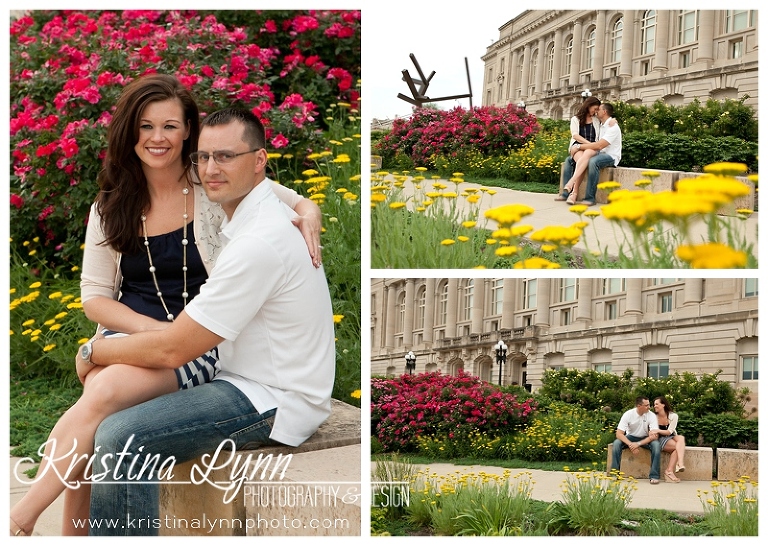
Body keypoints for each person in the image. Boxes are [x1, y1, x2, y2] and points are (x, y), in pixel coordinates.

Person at [9, 75, 322, 537]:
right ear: (130, 132)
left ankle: (25, 519)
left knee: (103, 389)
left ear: (188, 130)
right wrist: (145, 330)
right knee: (103, 397)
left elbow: (293, 202)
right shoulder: (111, 204)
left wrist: (310, 214)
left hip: (197, 335)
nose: (158, 138)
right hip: (135, 327)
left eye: (170, 126)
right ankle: (50, 528)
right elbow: (94, 296)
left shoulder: (211, 181)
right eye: (146, 126)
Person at [79, 107, 335, 536]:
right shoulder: (251, 220)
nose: (211, 169)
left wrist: (94, 351)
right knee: (111, 414)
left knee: (122, 438)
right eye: (203, 157)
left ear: (259, 160)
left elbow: (172, 349)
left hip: (274, 398)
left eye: (226, 156)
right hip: (245, 378)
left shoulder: (258, 242)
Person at [561, 102, 622, 206]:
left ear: (604, 112)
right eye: (596, 109)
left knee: (593, 162)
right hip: (599, 153)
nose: (596, 112)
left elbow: (599, 145)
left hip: (610, 156)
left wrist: (579, 146)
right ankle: (570, 192)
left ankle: (589, 198)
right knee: (572, 159)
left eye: (599, 110)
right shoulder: (601, 124)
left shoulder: (612, 127)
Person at [555, 96, 601, 205]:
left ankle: (573, 190)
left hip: (591, 148)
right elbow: (575, 135)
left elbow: (608, 119)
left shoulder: (596, 119)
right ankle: (573, 193)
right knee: (581, 160)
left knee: (583, 160)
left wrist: (613, 120)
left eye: (597, 109)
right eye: (595, 108)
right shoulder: (575, 119)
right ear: (588, 106)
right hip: (578, 145)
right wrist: (589, 144)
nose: (596, 111)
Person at [610, 396, 662, 484]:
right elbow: (619, 434)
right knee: (616, 443)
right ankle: (615, 474)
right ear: (639, 406)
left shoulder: (651, 416)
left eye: (649, 405)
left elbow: (654, 436)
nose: (649, 407)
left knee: (656, 445)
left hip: (645, 438)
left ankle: (654, 476)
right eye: (646, 405)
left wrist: (638, 444)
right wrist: (631, 444)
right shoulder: (628, 414)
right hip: (630, 437)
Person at [653, 396, 687, 482]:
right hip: (659, 438)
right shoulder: (653, 417)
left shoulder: (673, 416)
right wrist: (657, 431)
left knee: (681, 438)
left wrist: (657, 430)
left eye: (657, 404)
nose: (655, 406)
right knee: (677, 448)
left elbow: (669, 431)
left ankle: (679, 463)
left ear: (663, 405)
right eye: (654, 404)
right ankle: (670, 471)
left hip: (670, 436)